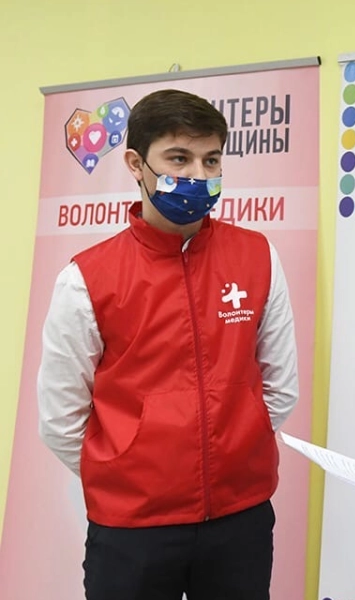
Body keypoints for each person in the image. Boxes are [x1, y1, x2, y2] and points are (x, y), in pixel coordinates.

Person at [37, 89, 299, 600]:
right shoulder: (86, 278)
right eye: (179, 158)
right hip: (131, 529)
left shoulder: (258, 256)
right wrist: (129, 470)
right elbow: (60, 418)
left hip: (240, 519)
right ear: (136, 164)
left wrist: (232, 452)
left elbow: (280, 386)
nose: (199, 175)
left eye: (211, 160)